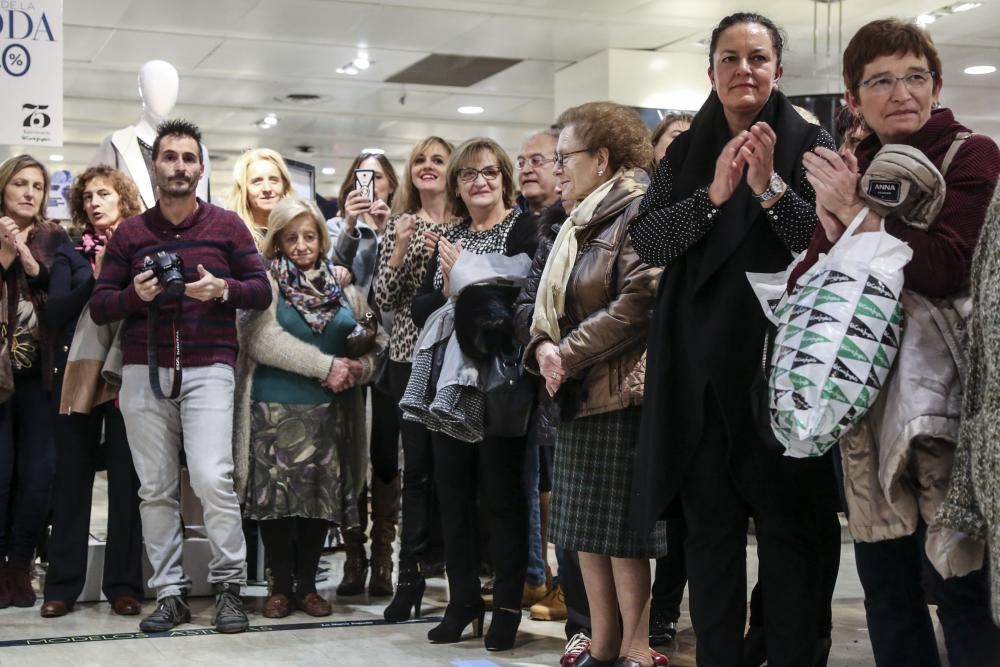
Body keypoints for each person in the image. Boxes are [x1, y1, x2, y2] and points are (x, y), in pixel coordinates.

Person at [628, 13, 839, 667]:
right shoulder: (685, 153)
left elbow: (822, 239)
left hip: (782, 380)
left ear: (779, 69)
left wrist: (769, 187)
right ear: (711, 69)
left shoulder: (810, 140)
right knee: (710, 537)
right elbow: (648, 238)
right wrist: (714, 195)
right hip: (700, 379)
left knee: (789, 540)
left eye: (756, 57)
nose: (743, 70)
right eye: (729, 58)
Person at [795, 19, 1000, 666]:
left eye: (914, 76)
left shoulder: (971, 154)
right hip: (864, 411)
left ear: (936, 84)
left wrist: (856, 214)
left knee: (962, 587)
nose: (901, 92)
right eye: (880, 80)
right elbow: (809, 280)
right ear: (853, 99)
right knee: (887, 592)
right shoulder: (849, 166)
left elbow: (947, 266)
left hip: (948, 410)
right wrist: (839, 222)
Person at [89, 119, 271, 634]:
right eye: (170, 157)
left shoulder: (228, 226)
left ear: (201, 167)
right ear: (155, 166)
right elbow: (102, 306)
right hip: (144, 371)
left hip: (209, 366)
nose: (180, 167)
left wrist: (223, 290)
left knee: (215, 477)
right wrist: (136, 296)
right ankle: (169, 592)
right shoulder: (131, 233)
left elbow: (261, 291)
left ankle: (230, 585)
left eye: (189, 158)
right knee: (157, 488)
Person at [520, 102, 663, 667]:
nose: (559, 170)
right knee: (585, 534)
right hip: (579, 391)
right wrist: (542, 348)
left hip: (621, 390)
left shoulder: (639, 208)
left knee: (624, 536)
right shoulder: (578, 219)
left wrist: (567, 354)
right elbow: (544, 306)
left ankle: (636, 644)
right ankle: (602, 641)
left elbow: (641, 299)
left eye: (566, 158)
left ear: (601, 159)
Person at [409, 137, 539, 651]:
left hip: (501, 383)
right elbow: (421, 308)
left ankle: (506, 606)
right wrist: (450, 286)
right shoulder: (450, 236)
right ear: (457, 187)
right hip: (449, 386)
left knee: (503, 499)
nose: (479, 181)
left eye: (489, 172)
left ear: (505, 179)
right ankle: (463, 601)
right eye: (467, 175)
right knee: (453, 495)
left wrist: (466, 276)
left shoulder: (525, 227)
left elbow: (524, 294)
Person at [233, 197, 385, 618]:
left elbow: (379, 346)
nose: (301, 245)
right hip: (271, 410)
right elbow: (256, 340)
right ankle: (280, 586)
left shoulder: (345, 289)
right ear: (278, 242)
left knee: (319, 503)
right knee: (275, 504)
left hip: (329, 413)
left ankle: (308, 586)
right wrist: (326, 365)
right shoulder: (265, 285)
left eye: (309, 236)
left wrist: (360, 366)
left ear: (322, 238)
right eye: (291, 238)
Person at [40, 166, 145, 618]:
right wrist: (96, 278)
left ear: (123, 198)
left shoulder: (142, 246)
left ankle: (123, 585)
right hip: (78, 376)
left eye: (104, 194)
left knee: (127, 482)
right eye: (87, 197)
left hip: (131, 374)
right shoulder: (69, 253)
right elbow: (56, 312)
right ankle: (62, 586)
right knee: (71, 483)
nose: (94, 203)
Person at [375, 137, 456, 622]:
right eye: (420, 160)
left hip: (458, 360)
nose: (428, 167)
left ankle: (457, 574)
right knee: (417, 474)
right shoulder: (401, 224)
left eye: (438, 160)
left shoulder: (469, 226)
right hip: (409, 359)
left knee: (456, 474)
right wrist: (402, 246)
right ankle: (409, 580)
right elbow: (385, 297)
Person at [325, 151, 400, 598]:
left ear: (392, 183)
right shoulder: (337, 227)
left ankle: (384, 559)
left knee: (387, 458)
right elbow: (331, 280)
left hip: (390, 355)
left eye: (378, 176)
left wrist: (389, 229)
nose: (369, 183)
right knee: (351, 454)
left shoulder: (401, 223)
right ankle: (353, 559)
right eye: (362, 175)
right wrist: (352, 228)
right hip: (348, 353)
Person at [0, 155, 71, 608]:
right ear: (4, 187)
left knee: (39, 473)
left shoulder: (54, 236)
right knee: (1, 472)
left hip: (41, 374)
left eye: (38, 186)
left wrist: (26, 257)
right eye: (20, 184)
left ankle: (19, 565)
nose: (29, 193)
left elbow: (61, 294)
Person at [646, 110, 692, 650]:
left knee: (681, 511)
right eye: (671, 140)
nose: (679, 147)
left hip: (685, 366)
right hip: (639, 370)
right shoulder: (647, 205)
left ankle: (665, 611)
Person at [514, 126, 563, 614]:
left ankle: (566, 582)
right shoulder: (519, 222)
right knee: (530, 479)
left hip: (565, 362)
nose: (527, 168)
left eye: (539, 160)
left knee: (560, 481)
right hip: (524, 364)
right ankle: (534, 575)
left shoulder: (565, 221)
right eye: (522, 160)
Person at [227, 148, 296, 249]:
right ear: (243, 190)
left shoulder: (298, 236)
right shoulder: (232, 238)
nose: (267, 188)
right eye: (257, 181)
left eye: (274, 180)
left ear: (285, 186)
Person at [516, 128, 561, 215]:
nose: (525, 170)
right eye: (521, 163)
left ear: (560, 165)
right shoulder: (507, 221)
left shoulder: (578, 219)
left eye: (536, 161)